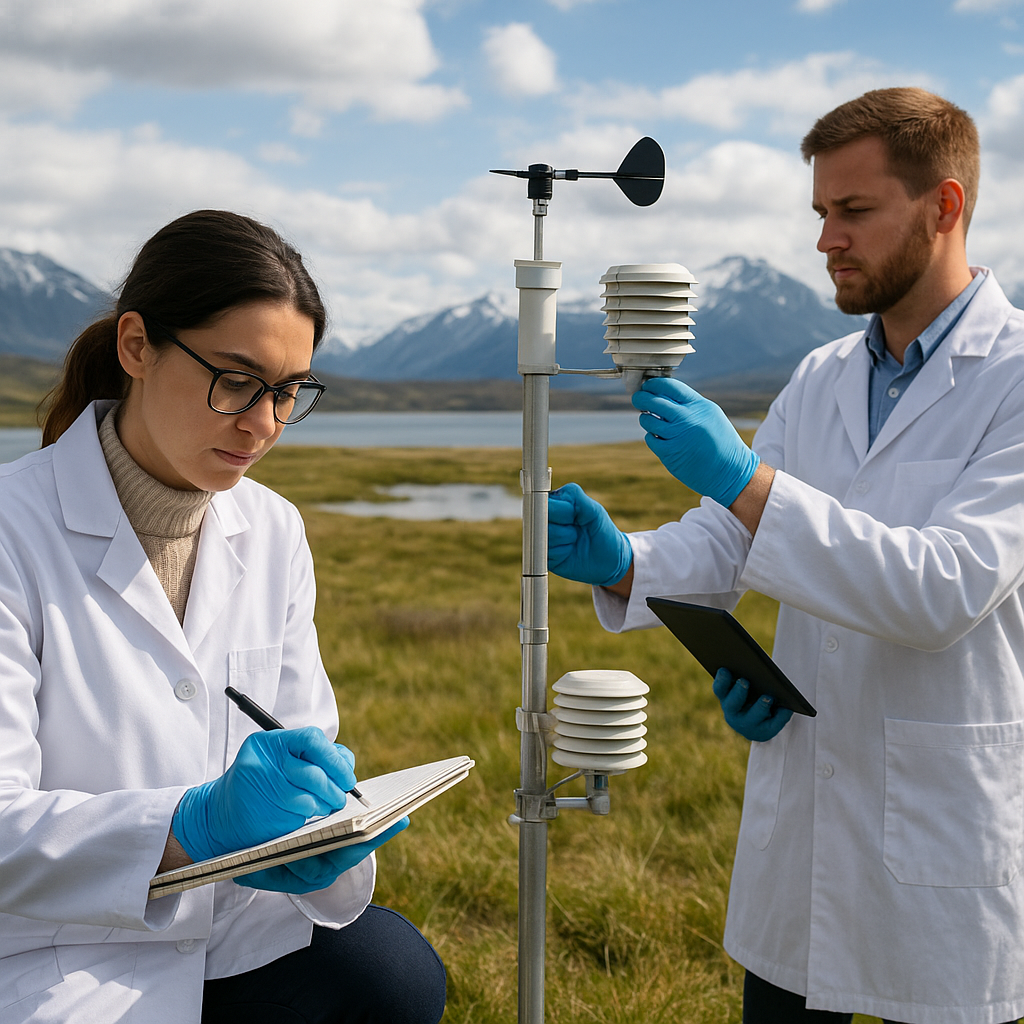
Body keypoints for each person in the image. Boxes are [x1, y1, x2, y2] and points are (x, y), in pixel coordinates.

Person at [548, 88, 1024, 1024]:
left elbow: (943, 588)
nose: (826, 241)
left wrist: (744, 480)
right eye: (820, 213)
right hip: (806, 823)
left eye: (854, 212)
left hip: (948, 831)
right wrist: (626, 563)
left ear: (945, 206)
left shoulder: (1014, 381)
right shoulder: (822, 377)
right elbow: (733, 543)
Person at [0, 210, 447, 1024]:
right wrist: (193, 825)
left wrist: (318, 825)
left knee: (392, 975)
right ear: (137, 346)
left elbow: (298, 733)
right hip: (56, 950)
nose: (263, 424)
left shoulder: (272, 528)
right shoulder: (10, 531)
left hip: (234, 928)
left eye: (286, 393)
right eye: (235, 381)